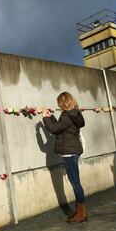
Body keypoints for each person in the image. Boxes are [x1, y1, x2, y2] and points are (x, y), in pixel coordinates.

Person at [42, 91, 87, 223]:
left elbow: (54, 130)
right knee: (76, 182)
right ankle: (80, 212)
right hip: (73, 151)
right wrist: (51, 117)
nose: (59, 105)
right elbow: (60, 127)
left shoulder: (67, 116)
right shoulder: (74, 114)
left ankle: (81, 214)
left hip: (69, 152)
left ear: (63, 102)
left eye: (59, 103)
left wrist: (45, 118)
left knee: (75, 183)